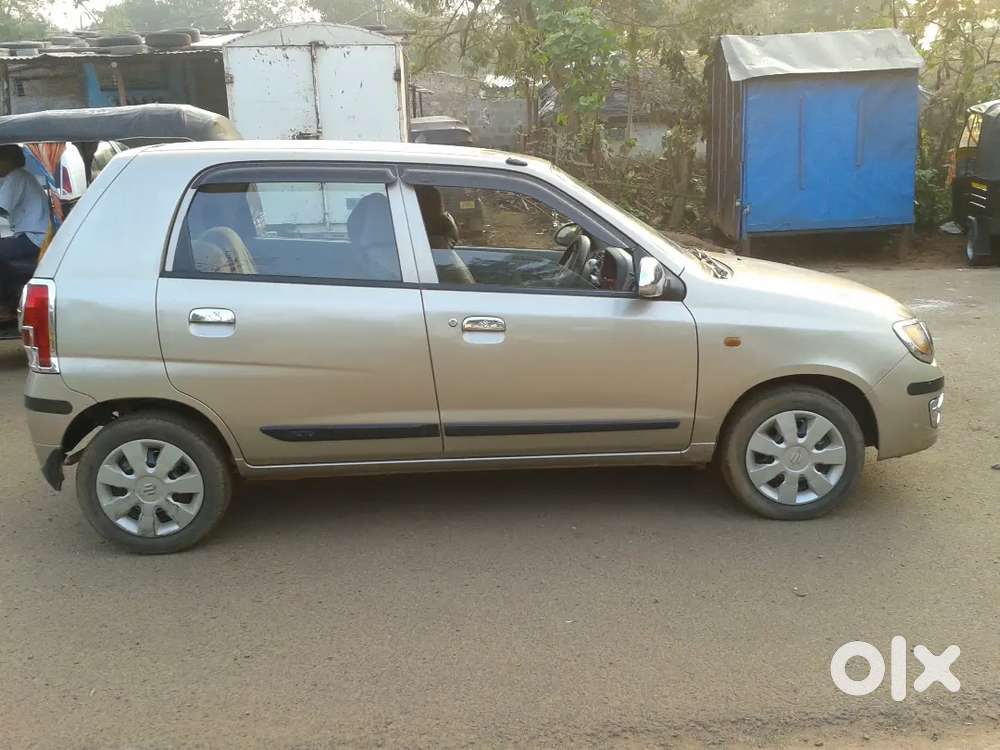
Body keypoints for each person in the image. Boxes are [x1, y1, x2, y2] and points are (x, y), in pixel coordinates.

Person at [0, 145, 50, 323]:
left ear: (7, 161)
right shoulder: (21, 176)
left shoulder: (16, 177)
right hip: (32, 235)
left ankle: (6, 306)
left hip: (34, 237)